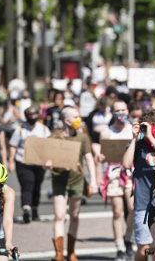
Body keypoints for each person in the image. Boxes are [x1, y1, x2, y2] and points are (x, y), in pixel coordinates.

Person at [47, 107, 98, 261]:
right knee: (59, 216)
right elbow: (45, 160)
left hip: (77, 181)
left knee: (74, 216)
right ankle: (59, 253)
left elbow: (89, 158)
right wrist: (47, 164)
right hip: (59, 181)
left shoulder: (82, 137)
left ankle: (71, 251)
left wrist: (94, 181)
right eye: (76, 117)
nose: (79, 119)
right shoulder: (53, 138)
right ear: (66, 120)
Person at [122, 109, 155, 261]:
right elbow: (125, 163)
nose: (149, 130)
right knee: (144, 248)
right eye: (147, 127)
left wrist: (152, 137)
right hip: (143, 202)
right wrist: (134, 138)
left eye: (154, 127)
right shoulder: (138, 144)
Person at [98, 100, 136, 261]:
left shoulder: (132, 129)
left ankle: (128, 237)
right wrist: (100, 158)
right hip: (113, 174)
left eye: (123, 109)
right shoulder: (106, 132)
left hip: (130, 172)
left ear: (128, 111)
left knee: (133, 208)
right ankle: (119, 246)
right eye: (117, 110)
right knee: (117, 212)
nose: (121, 113)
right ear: (112, 113)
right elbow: (102, 155)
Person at [8, 106, 51, 223]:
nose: (33, 118)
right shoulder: (21, 129)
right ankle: (26, 208)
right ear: (26, 117)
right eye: (30, 116)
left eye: (34, 115)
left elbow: (49, 146)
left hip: (39, 163)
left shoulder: (43, 129)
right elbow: (13, 146)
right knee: (27, 184)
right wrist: (10, 161)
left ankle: (35, 209)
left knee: (37, 186)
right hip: (23, 162)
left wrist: (48, 160)